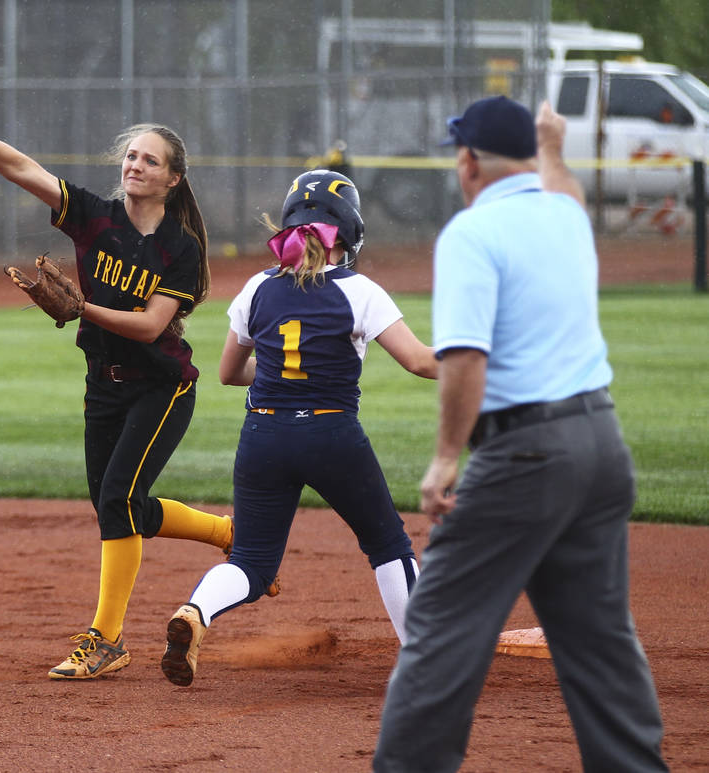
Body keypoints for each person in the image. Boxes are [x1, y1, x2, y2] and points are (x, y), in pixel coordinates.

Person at [372, 97, 668, 771]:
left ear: (469, 162)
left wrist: (447, 457)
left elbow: (465, 358)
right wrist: (554, 147)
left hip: (525, 455)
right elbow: (562, 183)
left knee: (439, 630)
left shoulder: (472, 233)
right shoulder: (566, 214)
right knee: (601, 644)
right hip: (602, 445)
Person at [0, 114, 237, 680]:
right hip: (102, 385)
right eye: (131, 156)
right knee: (118, 507)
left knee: (116, 501)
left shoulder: (181, 249)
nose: (135, 165)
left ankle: (105, 640)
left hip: (160, 390)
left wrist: (83, 309)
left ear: (173, 179)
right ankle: (227, 533)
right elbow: (23, 170)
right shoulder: (94, 215)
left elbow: (153, 326)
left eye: (150, 160)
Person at [160, 169, 437, 687]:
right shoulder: (359, 290)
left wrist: (282, 373)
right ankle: (426, 659)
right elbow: (420, 362)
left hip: (263, 435)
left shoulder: (257, 288)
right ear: (347, 231)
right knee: (388, 546)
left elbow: (228, 373)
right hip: (331, 434)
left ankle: (196, 611)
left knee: (252, 562)